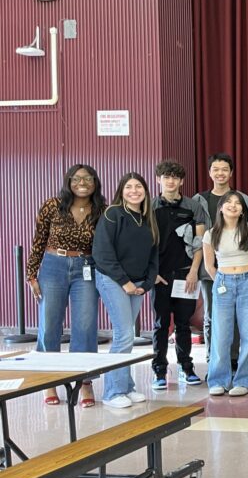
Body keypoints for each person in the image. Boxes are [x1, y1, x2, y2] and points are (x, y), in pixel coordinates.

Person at [27, 164, 105, 407]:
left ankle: (84, 382)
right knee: (50, 323)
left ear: (95, 182)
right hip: (53, 265)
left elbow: (106, 245)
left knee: (85, 325)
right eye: (77, 178)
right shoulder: (52, 205)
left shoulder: (102, 209)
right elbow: (38, 240)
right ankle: (49, 380)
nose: (82, 182)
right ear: (68, 181)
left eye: (88, 178)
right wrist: (32, 274)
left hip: (87, 267)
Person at [93, 173, 159, 408]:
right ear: (121, 191)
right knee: (124, 334)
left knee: (127, 335)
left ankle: (127, 387)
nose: (134, 191)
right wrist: (125, 282)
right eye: (128, 187)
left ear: (145, 191)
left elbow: (153, 255)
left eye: (138, 186)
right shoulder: (113, 214)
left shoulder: (147, 218)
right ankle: (112, 392)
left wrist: (147, 283)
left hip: (137, 283)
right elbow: (102, 253)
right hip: (113, 280)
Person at [151, 160, 208, 390]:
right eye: (166, 177)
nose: (171, 181)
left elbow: (200, 242)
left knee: (184, 324)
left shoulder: (193, 207)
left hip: (186, 274)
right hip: (160, 276)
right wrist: (152, 273)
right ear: (159, 180)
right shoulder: (150, 206)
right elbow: (146, 244)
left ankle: (187, 368)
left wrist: (194, 271)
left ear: (181, 181)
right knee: (161, 324)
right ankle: (159, 372)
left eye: (175, 177)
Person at [202, 191, 248, 396]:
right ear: (220, 208)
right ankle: (218, 380)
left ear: (242, 210)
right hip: (223, 282)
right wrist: (222, 281)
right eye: (228, 202)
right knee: (221, 334)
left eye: (237, 203)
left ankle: (244, 380)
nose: (233, 205)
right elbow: (209, 265)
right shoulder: (211, 233)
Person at [194, 153, 248, 363]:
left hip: (242, 271)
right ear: (210, 172)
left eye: (224, 169)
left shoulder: (243, 200)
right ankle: (214, 360)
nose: (220, 173)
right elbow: (197, 237)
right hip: (210, 270)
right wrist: (210, 270)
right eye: (216, 169)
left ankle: (235, 358)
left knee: (239, 317)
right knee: (212, 316)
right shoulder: (199, 200)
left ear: (231, 173)